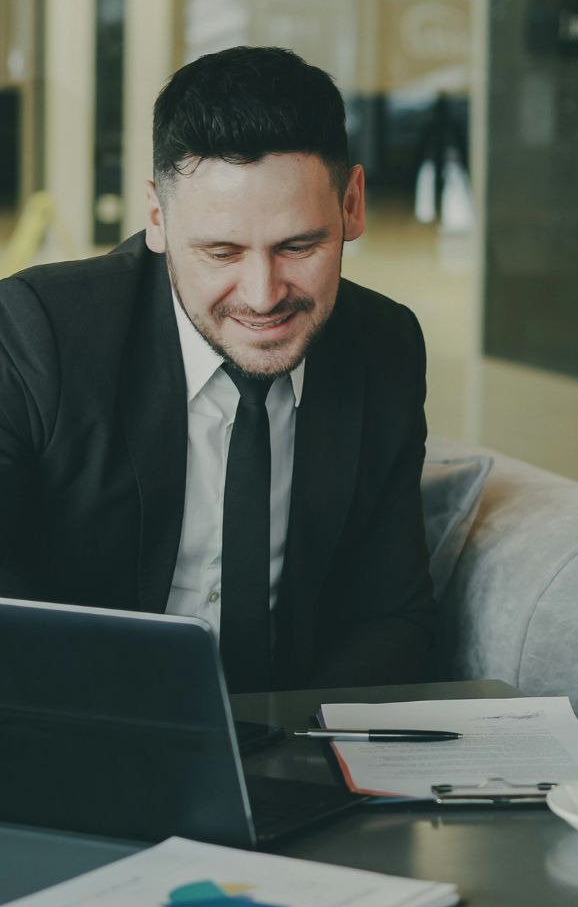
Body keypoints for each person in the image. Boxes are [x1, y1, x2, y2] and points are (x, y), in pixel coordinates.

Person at [0, 46, 434, 693]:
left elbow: (390, 615)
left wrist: (302, 753)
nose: (263, 295)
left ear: (352, 205)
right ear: (156, 218)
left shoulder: (384, 345)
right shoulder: (40, 334)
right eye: (221, 251)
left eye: (298, 246)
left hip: (289, 745)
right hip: (77, 732)